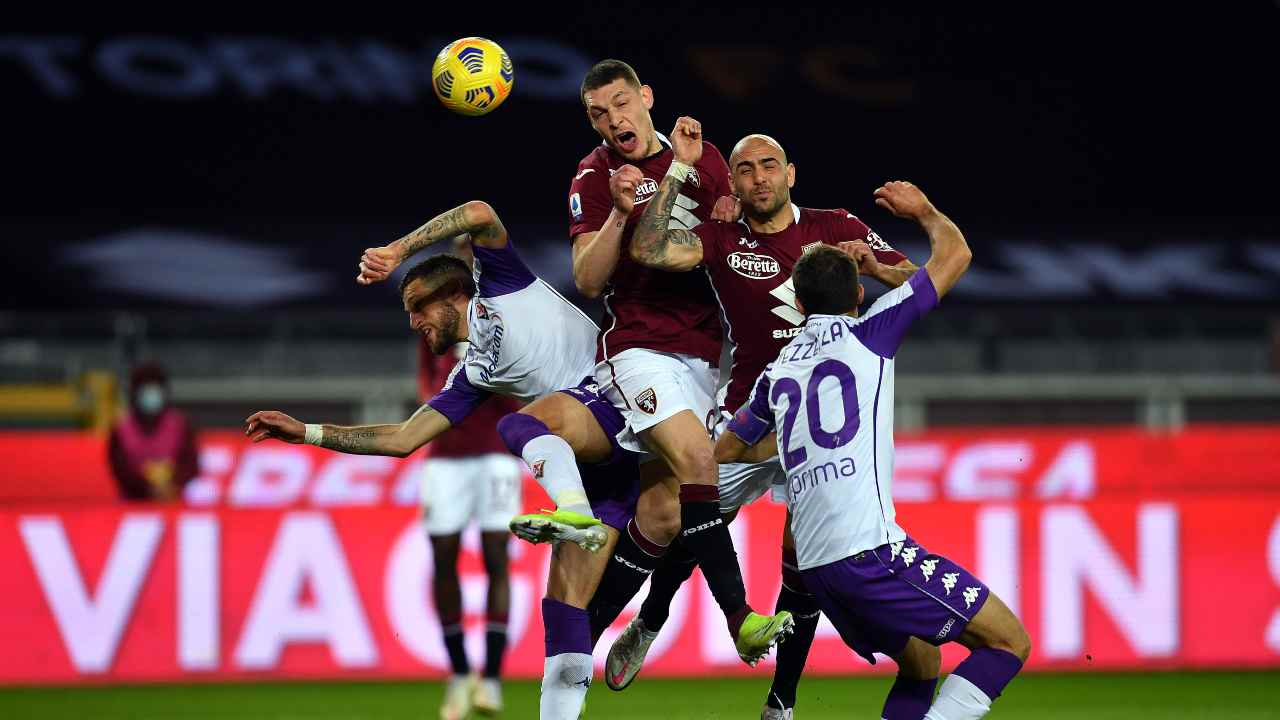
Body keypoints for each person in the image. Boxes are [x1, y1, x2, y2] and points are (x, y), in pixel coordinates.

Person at [246, 200, 637, 720]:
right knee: (563, 617)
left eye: (417, 306)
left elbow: (479, 212)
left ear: (456, 293)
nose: (412, 321)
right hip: (597, 468)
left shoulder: (502, 282)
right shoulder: (472, 374)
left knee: (522, 429)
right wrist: (309, 433)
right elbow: (404, 438)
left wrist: (396, 250)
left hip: (628, 418)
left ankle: (648, 622)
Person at [606, 130, 918, 718]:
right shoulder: (722, 236)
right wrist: (677, 171)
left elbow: (915, 282)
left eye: (769, 166)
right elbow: (648, 251)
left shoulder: (837, 226)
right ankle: (651, 619)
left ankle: (782, 700)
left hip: (821, 431)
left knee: (800, 562)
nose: (758, 179)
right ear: (734, 183)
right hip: (749, 414)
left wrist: (874, 264)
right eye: (744, 170)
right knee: (684, 514)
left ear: (791, 172)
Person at [718, 182, 1032, 720]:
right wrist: (924, 211)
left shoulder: (778, 370)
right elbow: (955, 255)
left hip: (815, 572)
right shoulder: (871, 333)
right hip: (870, 553)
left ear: (797, 303)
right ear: (858, 296)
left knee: (923, 662)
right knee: (1008, 643)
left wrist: (796, 443)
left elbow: (727, 446)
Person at [568, 59, 793, 668]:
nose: (613, 121)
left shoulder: (710, 157)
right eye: (597, 114)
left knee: (666, 515)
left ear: (646, 97)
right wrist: (621, 209)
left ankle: (604, 631)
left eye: (620, 104)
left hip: (704, 358)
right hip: (639, 349)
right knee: (701, 463)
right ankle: (740, 617)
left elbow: (747, 232)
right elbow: (588, 279)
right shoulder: (595, 175)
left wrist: (734, 210)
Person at [416, 239, 526, 719]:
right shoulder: (436, 322)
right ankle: (460, 674)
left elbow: (520, 385)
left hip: (495, 454)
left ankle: (493, 678)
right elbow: (426, 384)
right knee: (443, 559)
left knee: (496, 558)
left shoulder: (502, 316)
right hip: (445, 456)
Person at [108, 362, 199, 501]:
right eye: (146, 391)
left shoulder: (179, 425)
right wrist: (146, 488)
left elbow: (191, 464)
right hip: (133, 503)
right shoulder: (121, 428)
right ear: (135, 393)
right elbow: (120, 469)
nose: (151, 396)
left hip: (173, 501)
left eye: (155, 390)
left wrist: (173, 482)